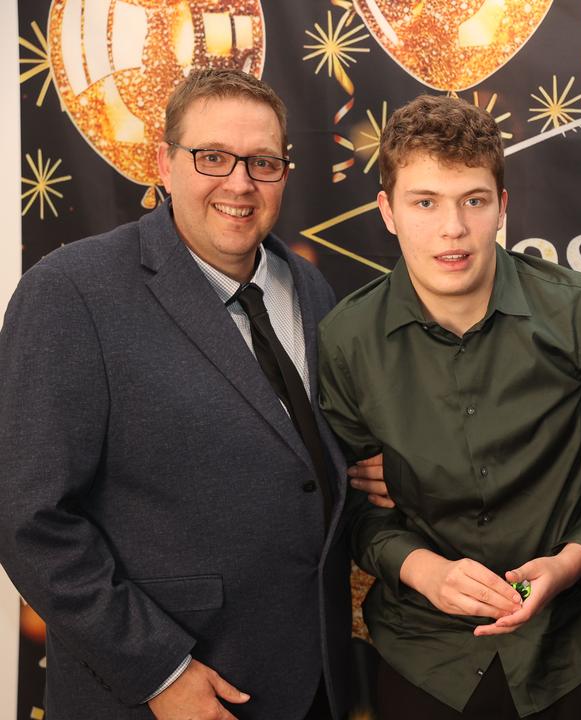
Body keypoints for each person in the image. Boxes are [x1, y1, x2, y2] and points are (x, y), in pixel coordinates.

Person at [0, 69, 351, 719]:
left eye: (262, 162)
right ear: (164, 163)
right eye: (212, 157)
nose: (239, 183)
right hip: (165, 692)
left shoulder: (310, 291)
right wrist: (160, 671)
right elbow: (29, 517)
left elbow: (298, 465)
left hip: (309, 684)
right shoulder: (72, 292)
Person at [316, 93, 581, 719]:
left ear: (502, 208)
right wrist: (422, 569)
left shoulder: (580, 312)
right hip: (422, 653)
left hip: (570, 647)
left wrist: (570, 564)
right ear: (387, 211)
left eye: (473, 201)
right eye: (425, 202)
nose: (452, 229)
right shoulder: (345, 339)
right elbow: (350, 508)